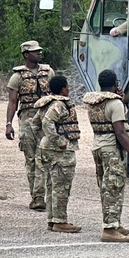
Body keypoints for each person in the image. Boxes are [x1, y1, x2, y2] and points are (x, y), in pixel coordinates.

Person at [83, 70, 129, 243]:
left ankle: (114, 223)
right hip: (112, 149)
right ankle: (109, 228)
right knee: (114, 187)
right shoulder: (114, 103)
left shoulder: (95, 101)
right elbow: (121, 132)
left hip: (98, 146)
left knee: (105, 187)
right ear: (115, 83)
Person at [5, 40, 54, 210]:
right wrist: (8, 124)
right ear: (26, 55)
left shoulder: (48, 72)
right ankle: (37, 196)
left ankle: (43, 195)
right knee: (31, 158)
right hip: (27, 118)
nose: (39, 53)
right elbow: (12, 102)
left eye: (39, 51)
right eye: (35, 51)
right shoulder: (17, 77)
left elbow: (56, 96)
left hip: (46, 117)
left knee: (45, 157)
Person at [35, 75, 82, 234]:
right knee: (61, 185)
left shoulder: (46, 103)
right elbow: (47, 122)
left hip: (47, 150)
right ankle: (60, 221)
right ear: (63, 89)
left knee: (52, 185)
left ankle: (52, 219)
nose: (69, 89)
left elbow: (35, 123)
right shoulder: (59, 105)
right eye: (67, 86)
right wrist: (57, 140)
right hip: (59, 152)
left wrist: (44, 140)